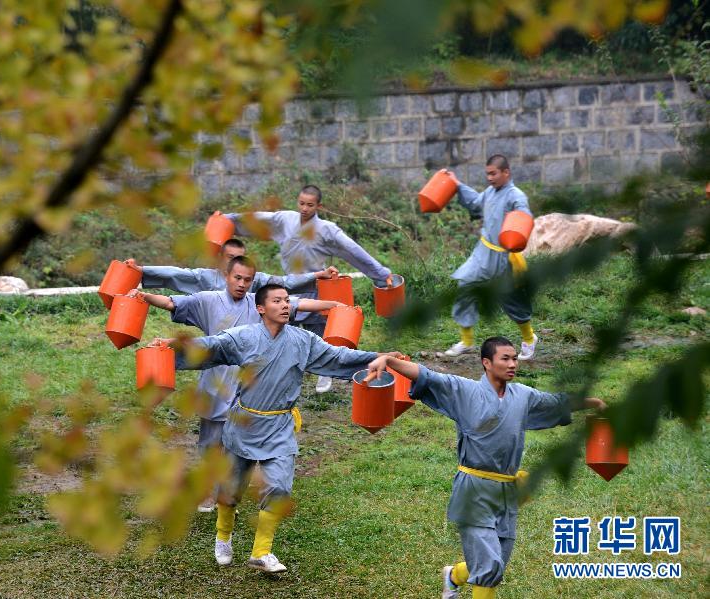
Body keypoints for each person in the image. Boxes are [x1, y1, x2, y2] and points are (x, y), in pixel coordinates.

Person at [150, 283, 395, 572]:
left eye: (287, 301)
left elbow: (337, 357)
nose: (285, 306)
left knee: (279, 486)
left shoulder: (304, 341)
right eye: (277, 301)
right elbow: (211, 346)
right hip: (243, 425)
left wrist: (378, 357)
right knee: (230, 490)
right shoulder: (244, 337)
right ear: (261, 308)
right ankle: (223, 538)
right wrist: (173, 344)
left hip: (279, 426)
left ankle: (261, 552)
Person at [363, 337, 606, 599]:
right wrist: (388, 360)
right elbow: (427, 375)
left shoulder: (523, 395)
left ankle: (453, 575)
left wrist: (591, 403)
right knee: (489, 566)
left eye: (515, 358)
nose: (513, 364)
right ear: (486, 363)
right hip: (474, 489)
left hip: (507, 491)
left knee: (495, 564)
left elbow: (555, 402)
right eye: (505, 359)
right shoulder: (464, 391)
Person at [129, 257, 344, 512]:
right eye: (237, 278)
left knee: (242, 446)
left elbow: (299, 304)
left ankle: (236, 489)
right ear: (226, 276)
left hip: (251, 389)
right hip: (216, 383)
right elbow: (171, 302)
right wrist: (143, 296)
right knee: (210, 445)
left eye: (247, 280)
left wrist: (332, 304)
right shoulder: (208, 300)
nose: (242, 284)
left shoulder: (260, 305)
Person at [224, 185, 394, 393]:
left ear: (319, 206)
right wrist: (227, 220)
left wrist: (381, 273)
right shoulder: (285, 220)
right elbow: (258, 219)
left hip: (315, 288)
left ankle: (325, 373)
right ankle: (277, 371)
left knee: (320, 336)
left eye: (310, 205)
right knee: (280, 333)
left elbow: (353, 250)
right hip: (288, 288)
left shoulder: (327, 230)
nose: (304, 208)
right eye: (301, 203)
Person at [439, 156, 539, 360]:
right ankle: (466, 341)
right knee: (466, 284)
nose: (489, 178)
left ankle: (529, 339)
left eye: (493, 173)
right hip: (483, 252)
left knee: (512, 299)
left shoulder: (516, 196)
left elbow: (524, 218)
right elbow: (476, 204)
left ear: (506, 173)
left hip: (505, 257)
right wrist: (457, 185)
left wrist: (516, 235)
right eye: (487, 173)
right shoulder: (490, 192)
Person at [124, 238, 338, 295]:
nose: (236, 263)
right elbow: (175, 274)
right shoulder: (207, 277)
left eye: (240, 258)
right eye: (230, 257)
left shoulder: (256, 279)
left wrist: (320, 274)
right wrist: (141, 270)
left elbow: (284, 282)